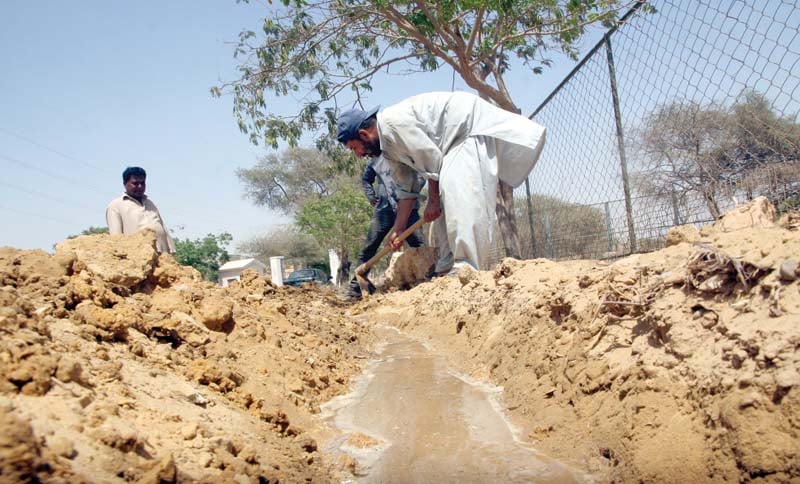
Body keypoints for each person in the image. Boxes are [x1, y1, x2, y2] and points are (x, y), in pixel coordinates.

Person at [336, 91, 546, 272]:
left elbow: (432, 160)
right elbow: (406, 187)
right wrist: (399, 228)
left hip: (464, 129)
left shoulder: (392, 124)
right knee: (446, 205)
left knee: (459, 195)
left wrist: (433, 199)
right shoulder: (388, 149)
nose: (358, 154)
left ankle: (466, 267)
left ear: (363, 134)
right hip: (449, 146)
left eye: (355, 148)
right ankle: (446, 267)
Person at [346, 154, 425, 299]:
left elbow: (420, 176)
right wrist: (371, 196)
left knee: (419, 246)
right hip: (384, 209)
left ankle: (427, 280)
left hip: (409, 208)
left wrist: (410, 193)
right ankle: (356, 288)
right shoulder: (376, 160)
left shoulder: (406, 154)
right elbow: (366, 179)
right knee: (369, 247)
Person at [106, 166, 176, 254]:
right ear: (125, 183)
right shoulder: (116, 205)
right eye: (135, 183)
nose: (139, 186)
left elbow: (162, 226)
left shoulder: (150, 203)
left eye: (142, 183)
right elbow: (116, 238)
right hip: (138, 257)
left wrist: (171, 249)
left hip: (161, 256)